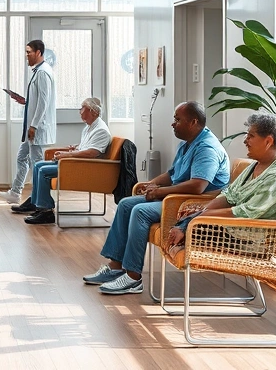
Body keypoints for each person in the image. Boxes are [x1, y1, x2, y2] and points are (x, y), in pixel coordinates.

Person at [82, 101, 229, 295]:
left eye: (177, 120)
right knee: (126, 204)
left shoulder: (207, 148)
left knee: (140, 212)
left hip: (191, 205)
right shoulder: (187, 144)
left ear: (193, 122)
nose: (173, 124)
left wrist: (160, 192)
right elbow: (172, 173)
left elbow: (198, 186)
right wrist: (152, 183)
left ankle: (133, 278)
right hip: (176, 197)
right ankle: (115, 267)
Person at [165, 112, 276, 259]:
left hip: (252, 241)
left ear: (268, 141)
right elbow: (229, 195)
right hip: (233, 230)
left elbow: (245, 213)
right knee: (184, 220)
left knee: (182, 232)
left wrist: (200, 218)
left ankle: (182, 242)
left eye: (251, 136)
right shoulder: (257, 165)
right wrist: (199, 214)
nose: (245, 141)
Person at [18, 97, 112, 224]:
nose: (80, 111)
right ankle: (36, 203)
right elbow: (88, 147)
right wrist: (76, 147)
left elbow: (92, 153)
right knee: (38, 166)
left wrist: (67, 155)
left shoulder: (101, 130)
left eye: (82, 108)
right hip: (78, 163)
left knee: (44, 171)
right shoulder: (90, 127)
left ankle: (46, 212)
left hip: (84, 168)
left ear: (93, 111)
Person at [0, 39, 56, 204]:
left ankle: (39, 201)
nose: (26, 56)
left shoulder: (43, 72)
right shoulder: (38, 71)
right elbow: (38, 99)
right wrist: (26, 101)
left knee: (38, 165)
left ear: (38, 53)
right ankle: (15, 193)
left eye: (28, 52)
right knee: (21, 157)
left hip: (36, 127)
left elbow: (44, 102)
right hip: (32, 126)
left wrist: (34, 125)